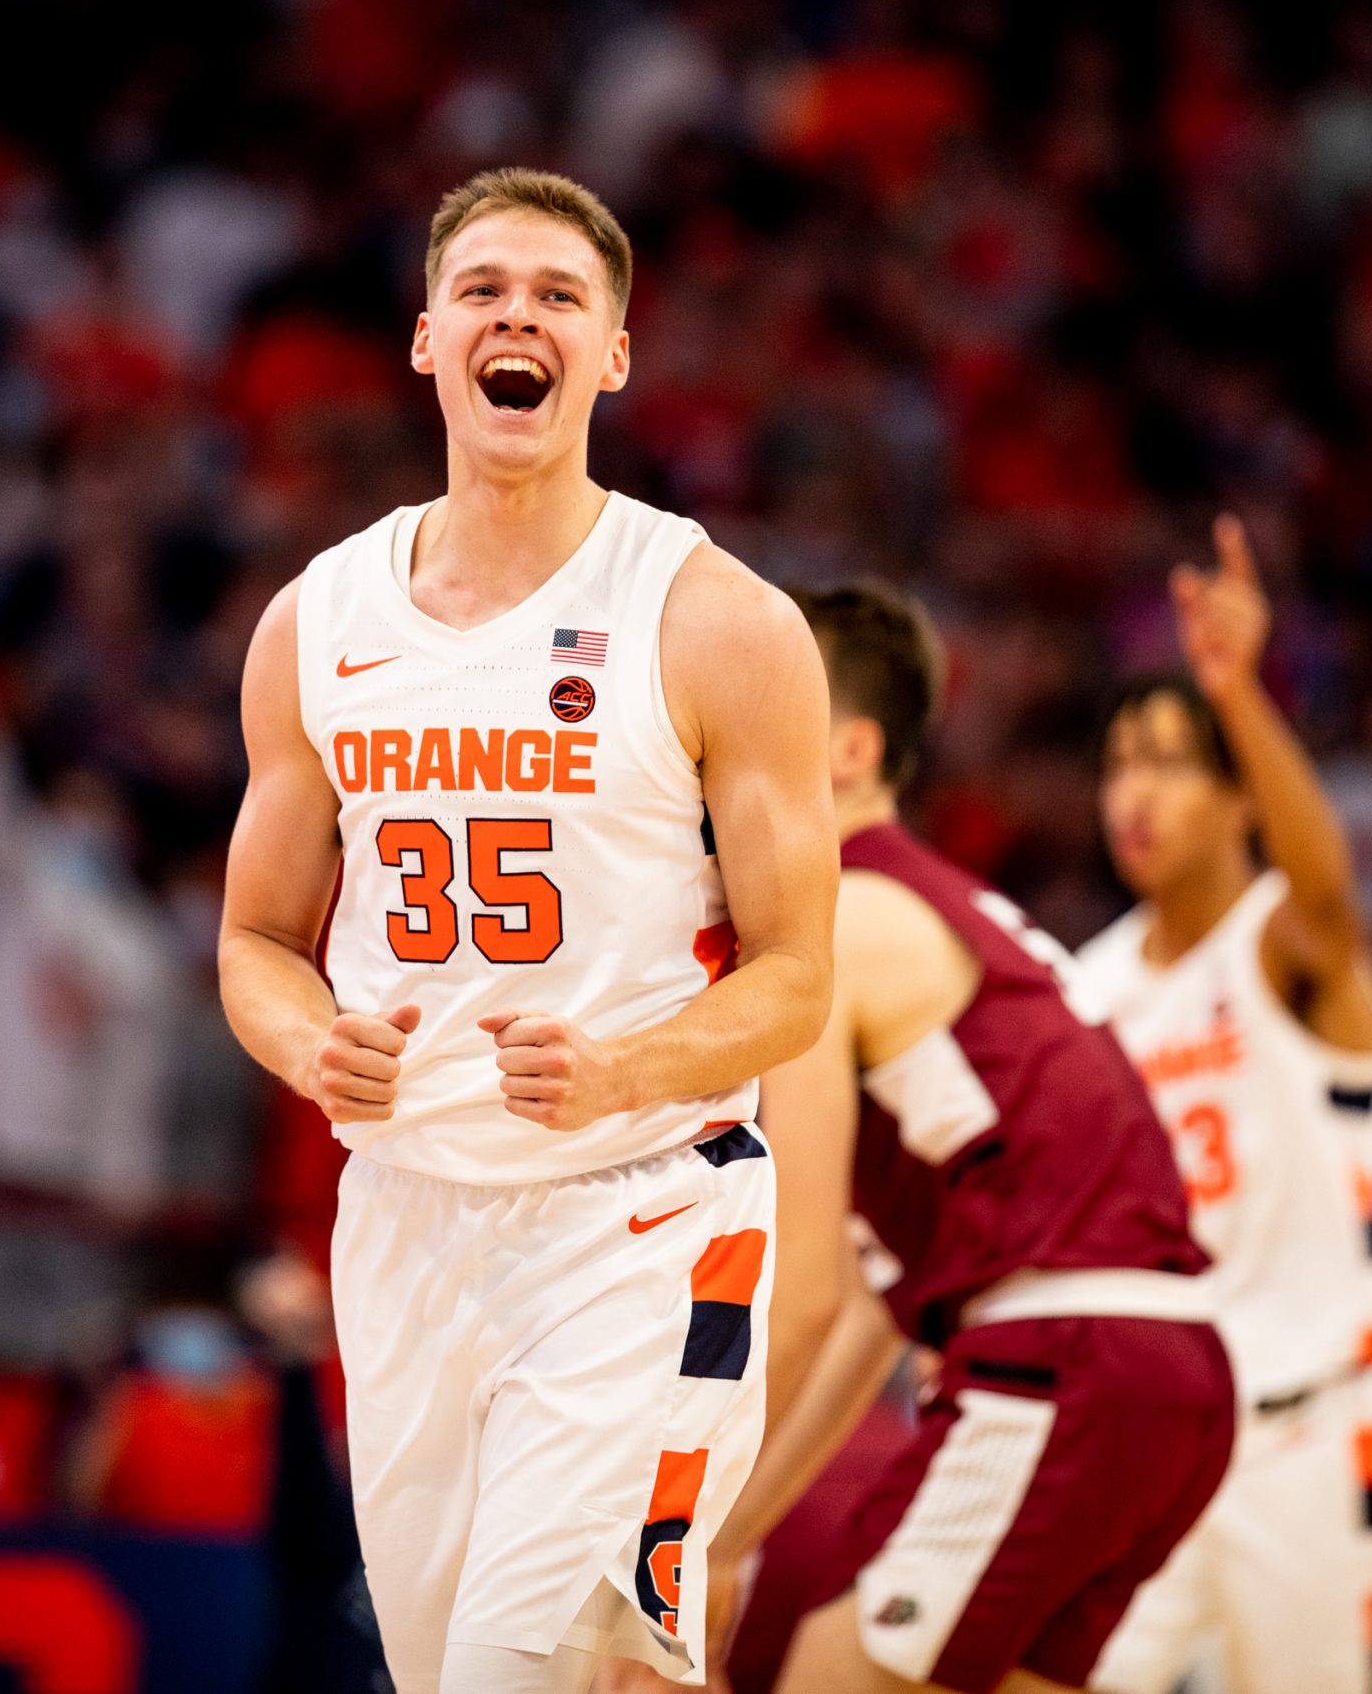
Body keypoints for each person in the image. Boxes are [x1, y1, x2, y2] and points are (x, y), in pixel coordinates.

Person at [216, 166, 837, 1694]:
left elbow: (799, 973)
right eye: (487, 290)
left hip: (636, 1210)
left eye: (561, 296)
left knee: (528, 1670)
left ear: (613, 355)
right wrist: (314, 1047)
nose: (520, 318)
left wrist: (625, 1069)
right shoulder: (317, 618)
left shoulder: (716, 618)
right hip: (409, 1216)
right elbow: (252, 940)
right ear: (428, 340)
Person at [697, 583, 1232, 1694]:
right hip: (1168, 1375)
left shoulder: (832, 923)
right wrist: (733, 1539)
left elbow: (795, 1289)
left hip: (1061, 1363)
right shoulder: (950, 906)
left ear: (844, 751)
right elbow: (862, 1294)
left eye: (725, 733)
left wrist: (685, 1541)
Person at [1072, 515, 1372, 1694]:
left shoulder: (1283, 945)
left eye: (1170, 761)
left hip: (1308, 1440)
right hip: (1152, 1443)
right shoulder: (1091, 986)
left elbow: (1330, 896)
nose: (1134, 791)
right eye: (1119, 762)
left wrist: (1239, 694)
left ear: (1239, 800)